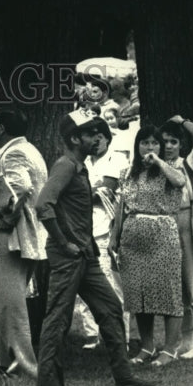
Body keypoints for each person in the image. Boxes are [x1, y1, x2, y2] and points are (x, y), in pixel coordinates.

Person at [35, 109, 156, 386]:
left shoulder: (79, 166)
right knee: (58, 317)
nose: (97, 138)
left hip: (84, 254)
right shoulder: (66, 166)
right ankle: (48, 384)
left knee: (112, 307)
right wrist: (65, 244)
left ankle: (124, 378)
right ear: (75, 138)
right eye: (90, 133)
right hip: (69, 255)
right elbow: (43, 205)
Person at [109, 125, 188, 367]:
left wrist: (159, 162)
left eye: (155, 143)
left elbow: (180, 181)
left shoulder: (171, 169)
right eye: (145, 143)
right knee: (138, 295)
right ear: (137, 145)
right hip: (132, 236)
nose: (149, 147)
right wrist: (115, 236)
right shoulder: (127, 173)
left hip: (162, 233)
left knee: (167, 292)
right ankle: (146, 345)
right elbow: (122, 206)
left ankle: (171, 347)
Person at [0, 110, 48, 379]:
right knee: (4, 301)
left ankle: (26, 365)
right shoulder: (28, 148)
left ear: (1, 128)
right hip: (28, 236)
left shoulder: (13, 153)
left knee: (10, 305)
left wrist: (3, 220)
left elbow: (18, 188)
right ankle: (2, 362)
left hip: (13, 237)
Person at [158, 116, 193, 359]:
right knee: (177, 288)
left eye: (173, 142)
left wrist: (183, 122)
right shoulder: (156, 165)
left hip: (187, 222)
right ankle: (187, 341)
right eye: (165, 142)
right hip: (165, 224)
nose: (169, 146)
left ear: (180, 144)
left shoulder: (189, 163)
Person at [73, 121, 131, 350]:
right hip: (82, 228)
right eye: (92, 137)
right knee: (84, 283)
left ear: (108, 138)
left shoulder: (117, 159)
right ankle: (91, 334)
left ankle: (119, 338)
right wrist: (90, 190)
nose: (96, 142)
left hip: (108, 228)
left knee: (112, 285)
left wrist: (83, 191)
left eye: (100, 137)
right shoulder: (81, 161)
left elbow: (106, 190)